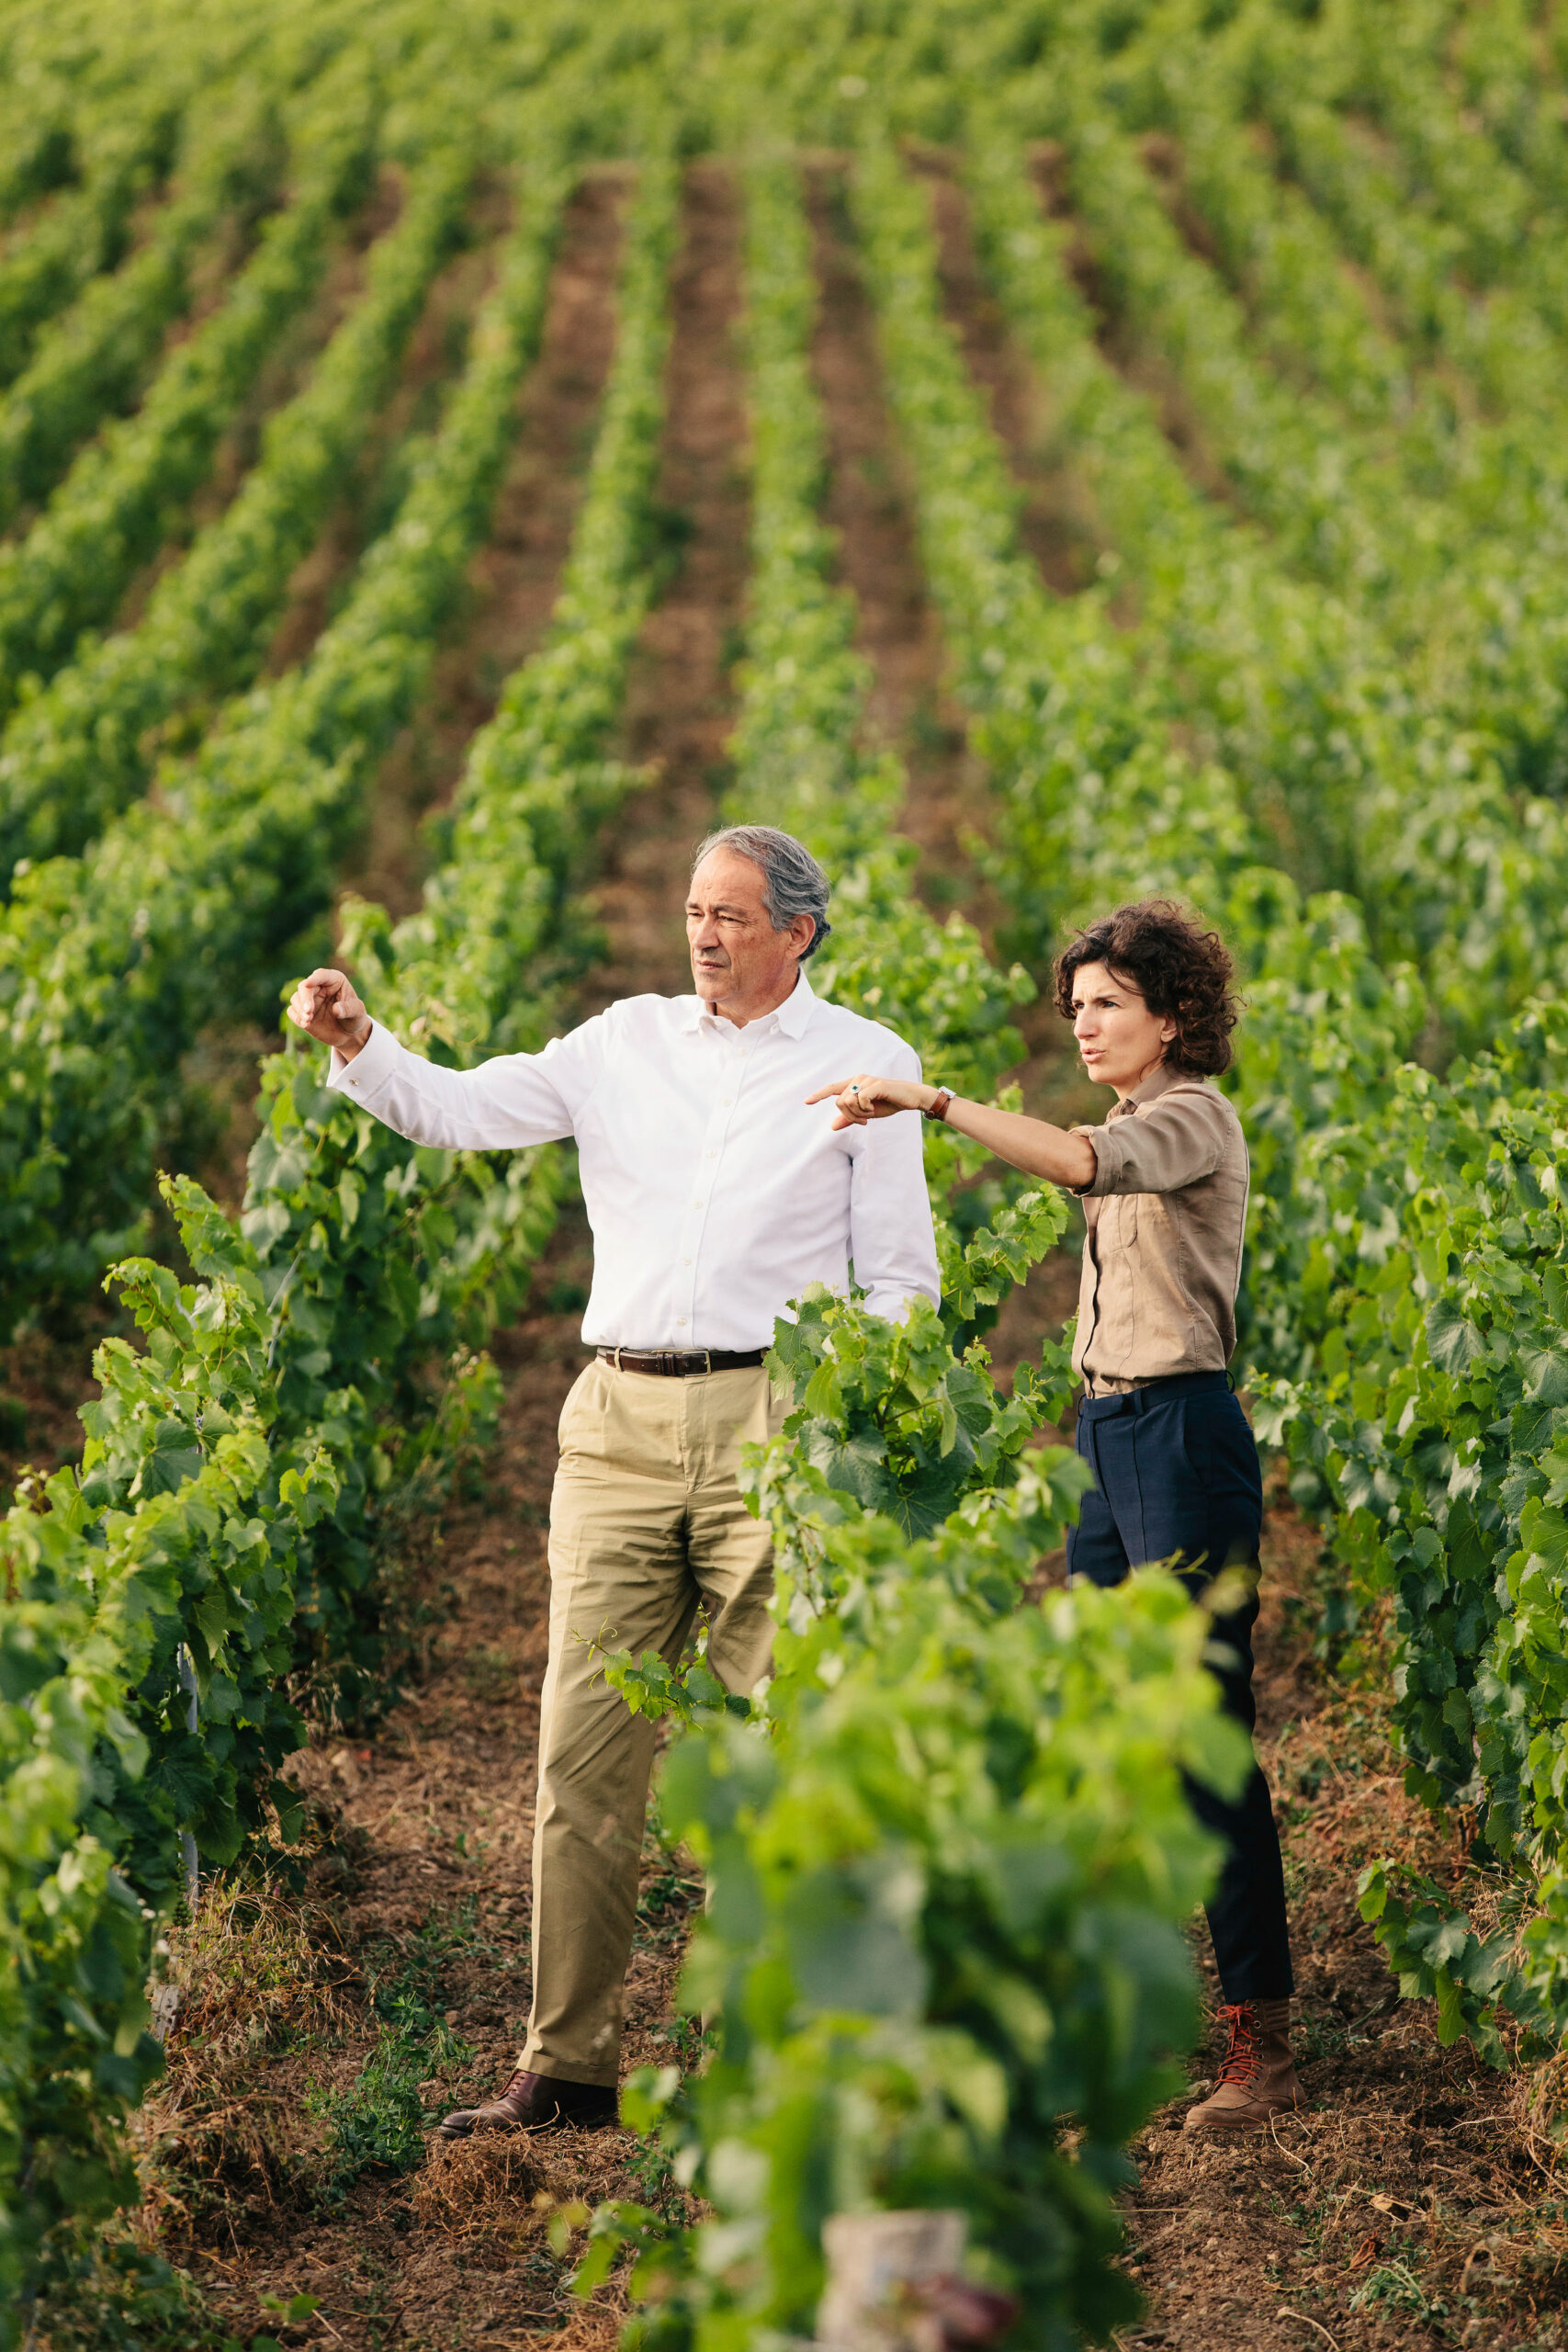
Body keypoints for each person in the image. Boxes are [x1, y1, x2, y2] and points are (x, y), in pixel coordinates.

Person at [287, 825, 939, 2135]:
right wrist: (361, 1047)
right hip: (619, 1421)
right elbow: (466, 1110)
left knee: (783, 1751)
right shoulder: (619, 1044)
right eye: (694, 909)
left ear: (798, 933)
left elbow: (903, 1283)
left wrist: (841, 1423)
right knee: (580, 1750)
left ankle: (776, 2064)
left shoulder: (871, 1066)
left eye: (733, 915)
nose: (703, 934)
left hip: (780, 1419)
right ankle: (565, 2064)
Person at [807, 897, 1300, 2136]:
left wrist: (933, 1106)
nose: (1082, 1026)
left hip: (1182, 1440)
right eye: (1074, 1007)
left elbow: (1082, 1160)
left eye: (1107, 1006)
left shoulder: (1189, 1117)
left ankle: (1261, 2038)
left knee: (1202, 1739)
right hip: (1109, 1434)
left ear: (1172, 1016)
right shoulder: (1146, 1111)